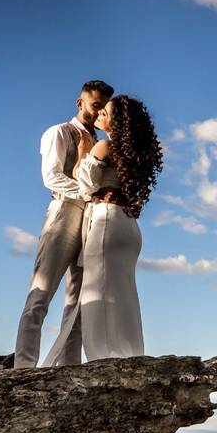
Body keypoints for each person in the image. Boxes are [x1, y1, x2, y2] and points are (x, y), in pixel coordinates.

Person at [42, 95, 163, 364]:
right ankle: (130, 354)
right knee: (124, 293)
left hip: (106, 223)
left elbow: (84, 188)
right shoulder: (136, 155)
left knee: (99, 292)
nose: (99, 116)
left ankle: (104, 358)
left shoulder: (104, 147)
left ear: (116, 121)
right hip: (129, 226)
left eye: (105, 113)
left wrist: (83, 157)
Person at [11, 80, 114, 368]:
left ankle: (68, 369)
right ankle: (23, 369)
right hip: (63, 215)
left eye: (103, 108)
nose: (98, 113)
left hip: (93, 222)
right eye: (95, 105)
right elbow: (51, 177)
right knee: (40, 295)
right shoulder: (59, 133)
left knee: (78, 303)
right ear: (80, 103)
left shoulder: (104, 141)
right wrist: (89, 192)